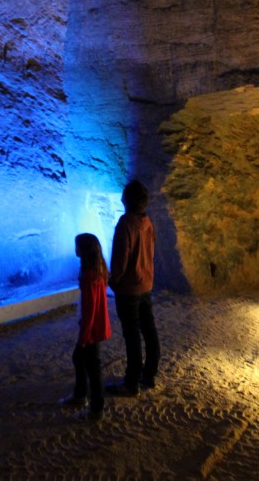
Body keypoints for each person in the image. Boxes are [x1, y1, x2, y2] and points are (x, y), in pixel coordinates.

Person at [106, 180, 160, 396]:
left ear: (125, 200)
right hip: (146, 283)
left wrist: (113, 280)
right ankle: (150, 374)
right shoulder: (147, 222)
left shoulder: (125, 224)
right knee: (148, 329)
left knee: (132, 334)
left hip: (129, 288)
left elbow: (120, 258)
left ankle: (131, 383)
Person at [61, 232, 112, 421]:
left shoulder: (90, 276)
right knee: (84, 362)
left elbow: (89, 310)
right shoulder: (98, 270)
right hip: (95, 327)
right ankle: (80, 396)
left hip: (91, 329)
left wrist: (83, 337)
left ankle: (95, 408)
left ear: (84, 250)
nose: (75, 249)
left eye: (77, 246)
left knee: (90, 365)